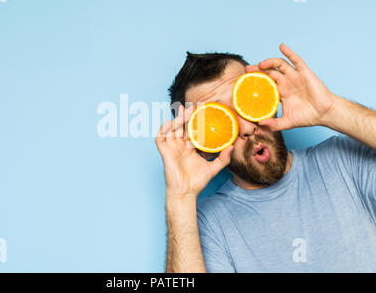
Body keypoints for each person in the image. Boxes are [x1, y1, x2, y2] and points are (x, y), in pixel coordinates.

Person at [155, 44, 376, 272]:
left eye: (248, 104)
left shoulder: (345, 161)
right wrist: (180, 198)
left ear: (269, 98)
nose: (247, 128)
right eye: (220, 120)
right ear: (203, 144)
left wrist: (330, 110)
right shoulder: (207, 225)